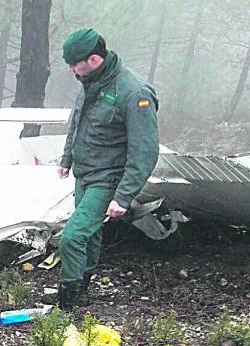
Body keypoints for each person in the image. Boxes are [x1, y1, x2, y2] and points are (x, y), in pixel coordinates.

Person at [54, 28, 159, 309]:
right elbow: (77, 122)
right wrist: (66, 159)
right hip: (84, 173)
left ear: (94, 59)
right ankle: (82, 291)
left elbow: (145, 151)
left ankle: (66, 300)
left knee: (72, 237)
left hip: (108, 178)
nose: (70, 69)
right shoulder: (90, 81)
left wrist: (123, 196)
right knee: (90, 235)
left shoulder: (134, 92)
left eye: (75, 63)